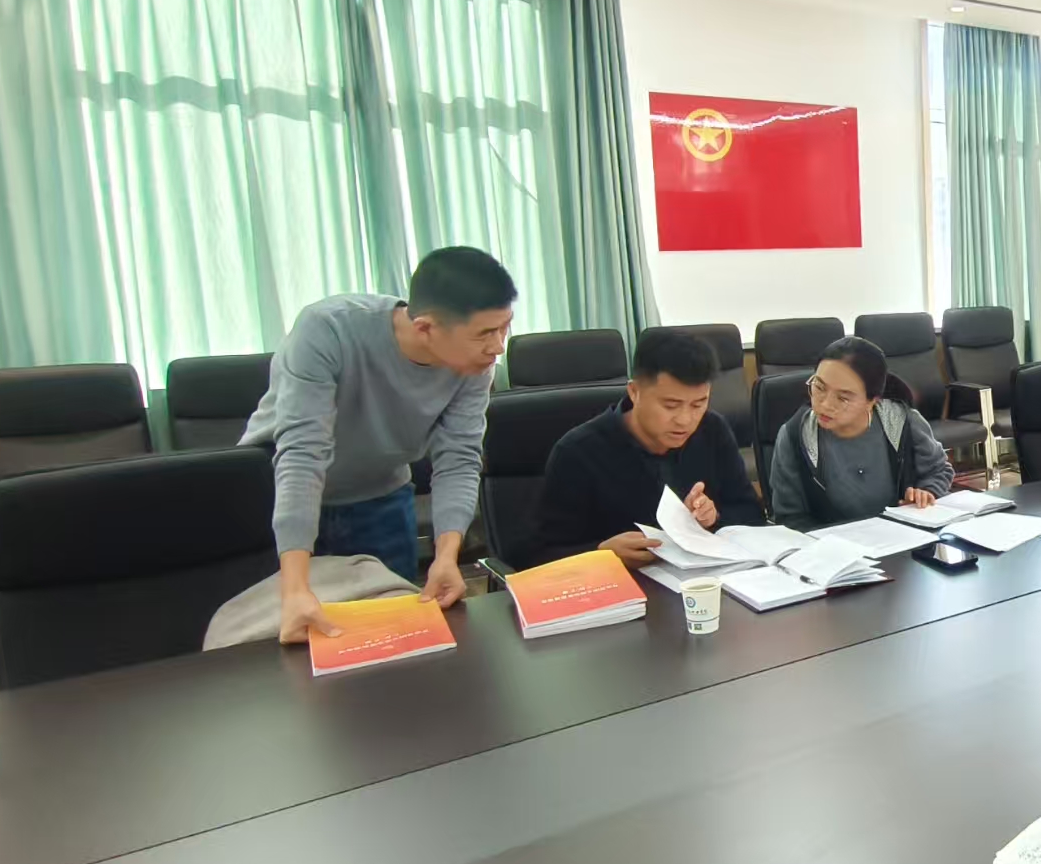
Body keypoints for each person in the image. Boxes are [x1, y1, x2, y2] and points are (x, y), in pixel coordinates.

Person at [244, 247, 515, 642]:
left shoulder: (475, 365)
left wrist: (446, 556)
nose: (498, 346)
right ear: (425, 328)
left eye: (505, 327)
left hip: (380, 497)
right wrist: (295, 588)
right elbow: (303, 455)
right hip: (282, 497)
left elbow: (459, 457)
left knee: (389, 635)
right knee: (284, 640)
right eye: (485, 334)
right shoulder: (328, 329)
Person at [528, 330, 764, 568]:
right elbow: (539, 555)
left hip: (705, 576)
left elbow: (751, 513)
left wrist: (714, 518)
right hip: (622, 583)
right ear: (634, 392)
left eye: (698, 404)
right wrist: (601, 554)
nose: (685, 420)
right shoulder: (578, 452)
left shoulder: (712, 430)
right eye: (670, 405)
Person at [767, 335, 954, 531]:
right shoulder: (794, 436)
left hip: (902, 536)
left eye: (843, 398)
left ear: (872, 400)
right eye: (819, 387)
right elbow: (790, 517)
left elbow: (939, 470)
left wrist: (926, 494)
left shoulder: (903, 421)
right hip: (831, 544)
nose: (825, 404)